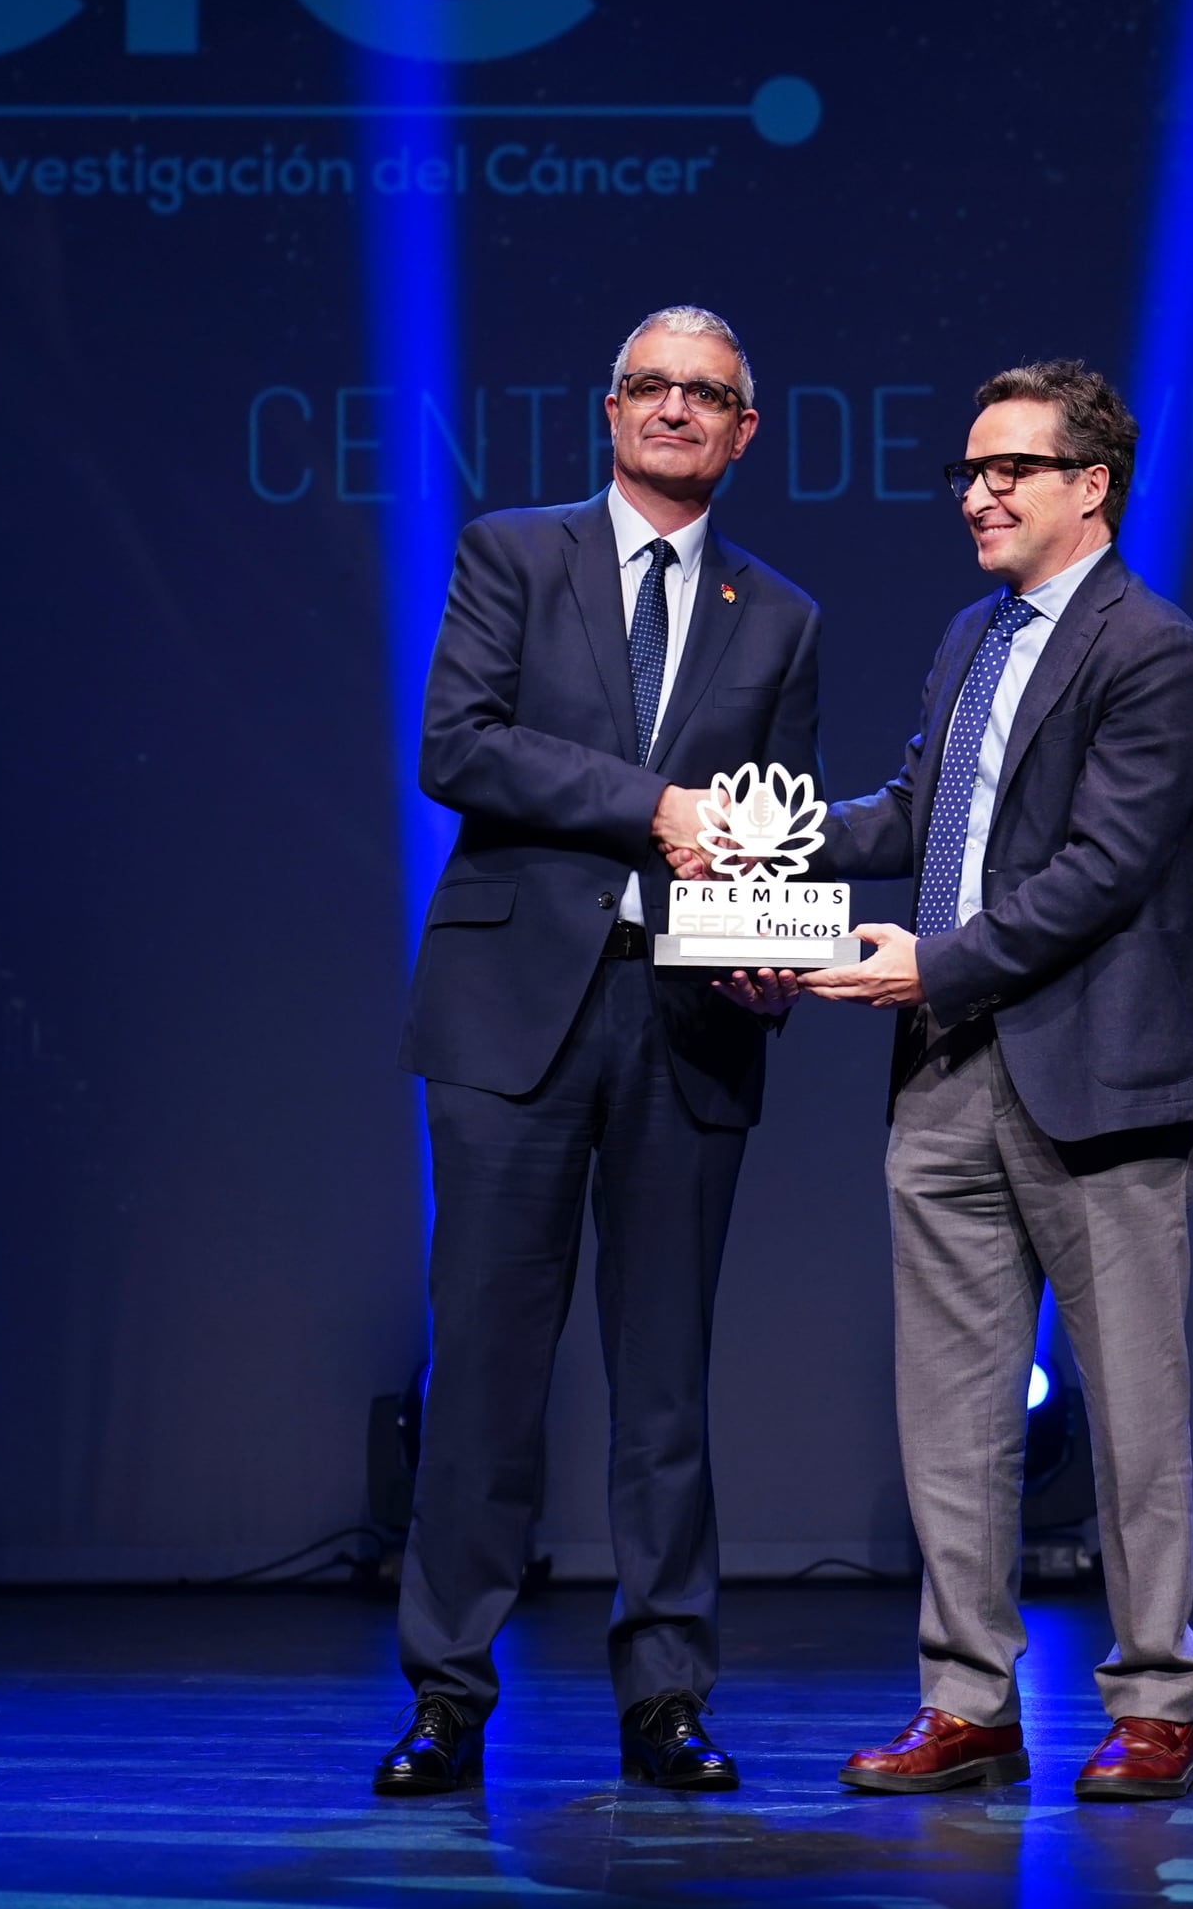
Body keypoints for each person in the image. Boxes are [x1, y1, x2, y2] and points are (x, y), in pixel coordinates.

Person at [376, 306, 819, 1796]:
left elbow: (780, 819)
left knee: (668, 1384)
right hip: (512, 1012)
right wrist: (653, 806)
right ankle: (448, 1696)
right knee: (485, 1369)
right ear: (610, 410)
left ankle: (668, 1697)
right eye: (651, 386)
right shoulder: (514, 554)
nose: (676, 408)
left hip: (688, 1022)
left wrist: (772, 942)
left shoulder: (782, 615)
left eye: (707, 394)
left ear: (743, 432)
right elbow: (457, 746)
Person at [802, 359, 1193, 1801]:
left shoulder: (1150, 648)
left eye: (1010, 471)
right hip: (946, 1074)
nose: (977, 495)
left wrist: (934, 966)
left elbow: (1102, 872)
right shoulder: (972, 639)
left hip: (1095, 1078)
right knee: (951, 1414)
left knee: (1135, 1415)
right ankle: (967, 1704)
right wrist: (768, 840)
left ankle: (1156, 1703)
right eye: (968, 473)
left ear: (1090, 486)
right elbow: (921, 820)